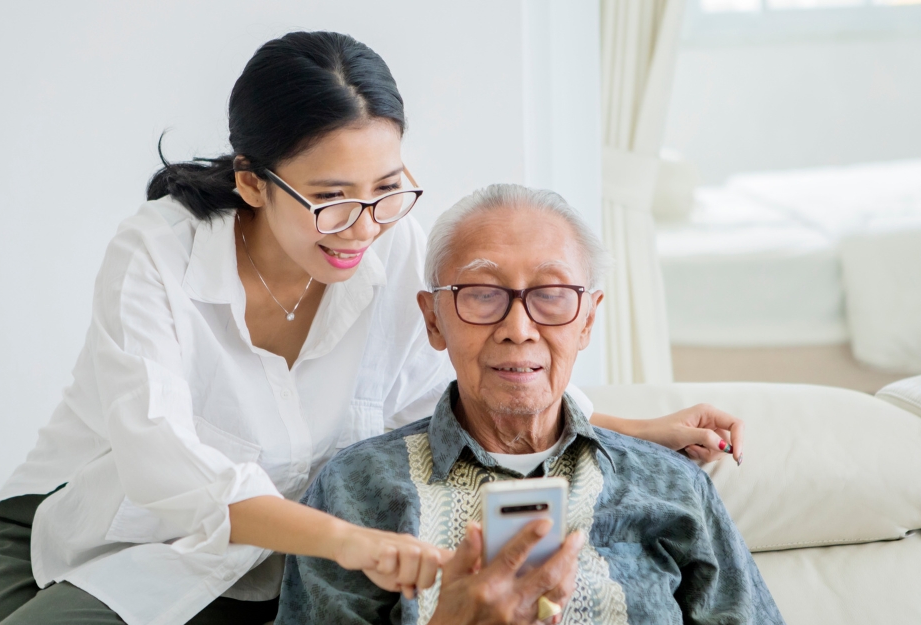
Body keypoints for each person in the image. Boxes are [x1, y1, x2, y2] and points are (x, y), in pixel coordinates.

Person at [0, 32, 746, 625]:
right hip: (99, 512)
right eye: (330, 198)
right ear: (252, 183)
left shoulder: (392, 250)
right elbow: (163, 466)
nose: (363, 226)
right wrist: (347, 542)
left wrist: (635, 428)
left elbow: (461, 378)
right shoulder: (157, 253)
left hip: (266, 557)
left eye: (386, 188)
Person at [277, 184, 782, 625]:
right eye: (481, 294)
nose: (518, 329)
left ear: (587, 320)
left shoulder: (673, 485)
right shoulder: (353, 489)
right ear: (433, 320)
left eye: (552, 294)